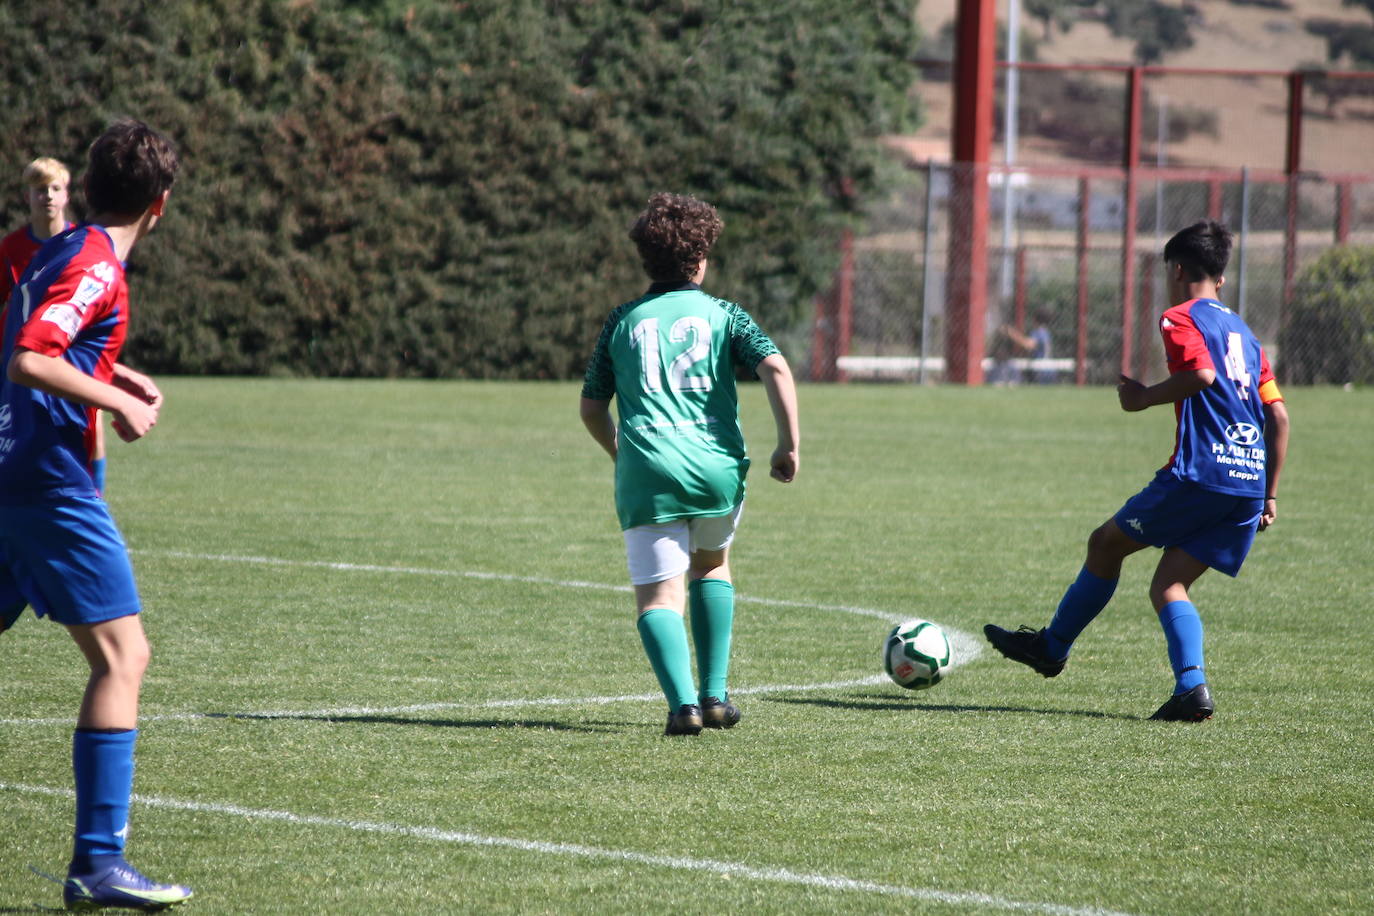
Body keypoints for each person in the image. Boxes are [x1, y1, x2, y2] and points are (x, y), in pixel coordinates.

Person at [983, 220, 1289, 722]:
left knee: (1105, 544)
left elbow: (1202, 374)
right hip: (1249, 482)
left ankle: (1052, 647)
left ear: (1177, 269)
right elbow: (1277, 414)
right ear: (1222, 279)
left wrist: (1144, 397)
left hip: (1201, 473)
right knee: (1169, 584)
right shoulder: (1248, 337)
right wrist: (1270, 495)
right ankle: (1192, 689)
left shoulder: (1180, 318)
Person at [0, 120, 193, 909]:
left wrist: (117, 371)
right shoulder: (96, 265)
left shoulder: (61, 249)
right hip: (49, 484)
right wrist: (116, 397)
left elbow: (34, 337)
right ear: (162, 204)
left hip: (11, 474)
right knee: (123, 657)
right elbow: (30, 356)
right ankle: (98, 861)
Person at [580, 192, 801, 736]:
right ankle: (717, 696)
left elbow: (590, 406)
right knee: (710, 564)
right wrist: (787, 445)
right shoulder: (725, 314)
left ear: (644, 258)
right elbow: (774, 367)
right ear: (701, 259)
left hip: (647, 471)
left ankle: (683, 707)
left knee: (658, 595)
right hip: (716, 469)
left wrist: (622, 454)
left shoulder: (622, 320)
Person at [0, 158, 111, 493]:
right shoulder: (12, 248)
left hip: (67, 353)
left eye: (54, 188)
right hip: (19, 357)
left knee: (93, 419)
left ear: (67, 195)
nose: (46, 196)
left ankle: (95, 493)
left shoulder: (81, 243)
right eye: (39, 189)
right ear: (27, 197)